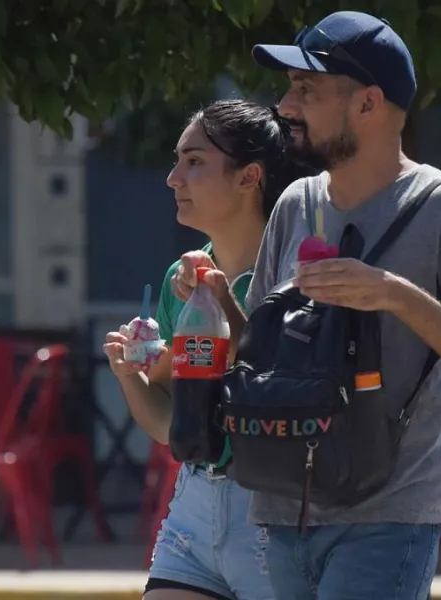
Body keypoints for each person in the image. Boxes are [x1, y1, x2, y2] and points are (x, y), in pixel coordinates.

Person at [171, 12, 441, 599]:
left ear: (367, 104)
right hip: (282, 512)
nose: (284, 105)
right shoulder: (295, 202)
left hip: (387, 518)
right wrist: (216, 299)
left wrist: (394, 294)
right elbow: (258, 353)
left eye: (306, 90)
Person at [102, 99, 314, 600]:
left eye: (194, 162)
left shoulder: (298, 276)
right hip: (195, 511)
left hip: (276, 516)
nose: (174, 178)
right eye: (177, 161)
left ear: (249, 178)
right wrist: (128, 374)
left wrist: (226, 306)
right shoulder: (184, 281)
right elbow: (171, 425)